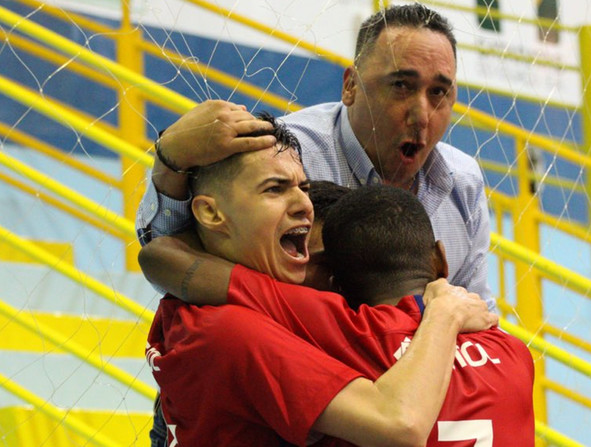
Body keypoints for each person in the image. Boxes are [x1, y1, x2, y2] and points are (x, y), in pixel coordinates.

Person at [144, 114, 499, 446]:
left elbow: (159, 254)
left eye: (303, 186)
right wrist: (444, 312)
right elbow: (397, 422)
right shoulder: (235, 331)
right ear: (209, 212)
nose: (303, 203)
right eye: (275, 189)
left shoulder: (192, 302)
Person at [136, 3, 496, 312]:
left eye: (438, 92)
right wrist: (170, 160)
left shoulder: (463, 182)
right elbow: (166, 259)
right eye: (401, 85)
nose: (422, 114)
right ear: (350, 86)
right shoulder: (283, 156)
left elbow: (476, 311)